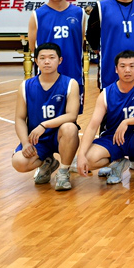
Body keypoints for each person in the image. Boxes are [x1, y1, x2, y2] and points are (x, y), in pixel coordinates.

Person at [77, 50, 134, 190]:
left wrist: (127, 122)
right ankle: (117, 163)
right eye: (122, 66)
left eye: (131, 66)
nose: (127, 70)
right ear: (116, 69)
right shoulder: (106, 93)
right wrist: (81, 154)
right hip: (113, 138)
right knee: (88, 159)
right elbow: (92, 126)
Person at [11, 43, 80, 191]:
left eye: (51, 58)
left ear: (60, 60)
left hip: (59, 136)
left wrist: (44, 125)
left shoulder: (70, 84)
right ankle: (48, 162)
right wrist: (25, 143)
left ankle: (63, 172)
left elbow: (72, 115)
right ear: (36, 61)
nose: (47, 62)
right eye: (42, 58)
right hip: (38, 139)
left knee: (70, 128)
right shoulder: (25, 86)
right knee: (19, 162)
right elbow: (20, 118)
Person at [29, 0, 85, 104]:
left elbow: (80, 41)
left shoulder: (79, 13)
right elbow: (33, 47)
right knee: (46, 112)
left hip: (73, 70)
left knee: (73, 113)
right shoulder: (37, 15)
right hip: (47, 74)